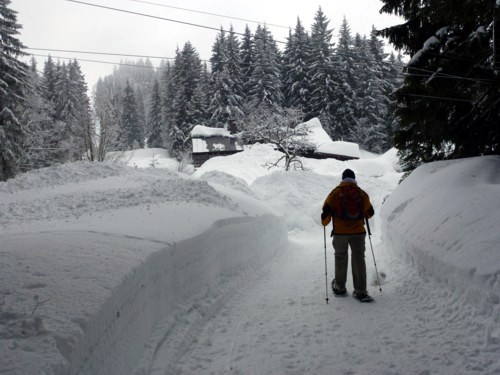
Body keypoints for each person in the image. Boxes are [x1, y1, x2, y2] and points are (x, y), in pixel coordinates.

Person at [321, 168, 375, 302]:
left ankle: (340, 287)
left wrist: (325, 221)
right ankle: (361, 291)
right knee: (359, 258)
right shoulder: (362, 194)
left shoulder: (335, 193)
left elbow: (325, 216)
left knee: (340, 257)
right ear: (354, 179)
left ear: (342, 178)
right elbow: (370, 213)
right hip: (358, 232)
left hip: (340, 233)